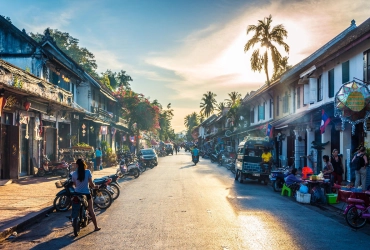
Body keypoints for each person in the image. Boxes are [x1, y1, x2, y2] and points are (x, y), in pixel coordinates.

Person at [71, 159, 101, 232]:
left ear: (77, 165)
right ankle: (96, 227)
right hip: (86, 194)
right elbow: (91, 184)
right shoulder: (87, 172)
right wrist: (95, 187)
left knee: (74, 208)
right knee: (91, 210)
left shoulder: (74, 174)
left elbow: (74, 184)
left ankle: (74, 219)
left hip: (77, 193)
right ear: (84, 164)